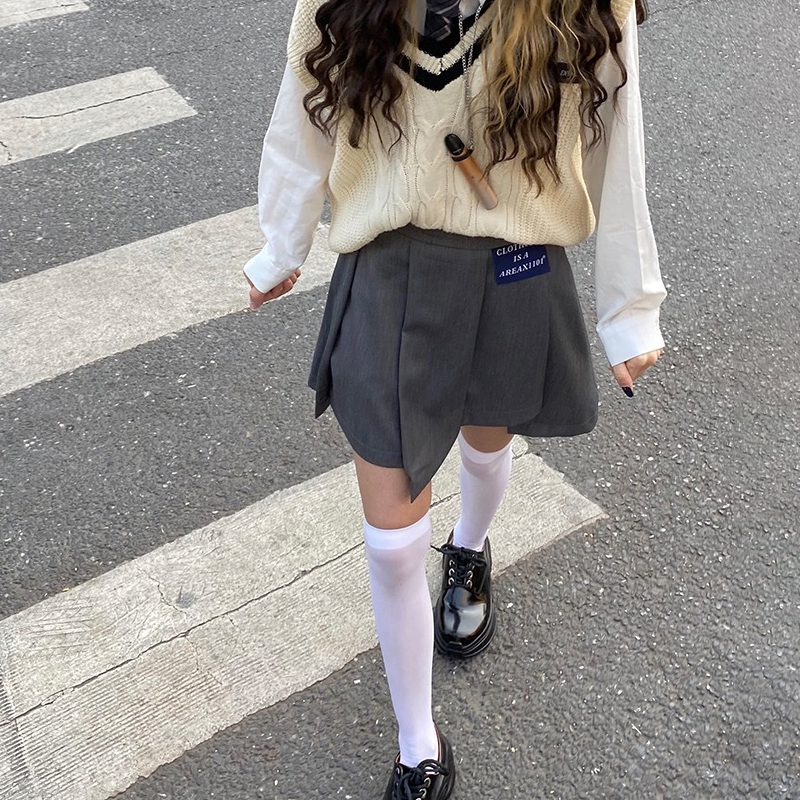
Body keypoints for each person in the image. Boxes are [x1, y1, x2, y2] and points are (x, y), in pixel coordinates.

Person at [243, 0, 666, 797]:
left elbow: (620, 134)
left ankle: (470, 548)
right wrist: (281, 240)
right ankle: (417, 745)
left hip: (516, 257)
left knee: (487, 439)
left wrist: (630, 306)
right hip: (388, 263)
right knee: (391, 539)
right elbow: (304, 100)